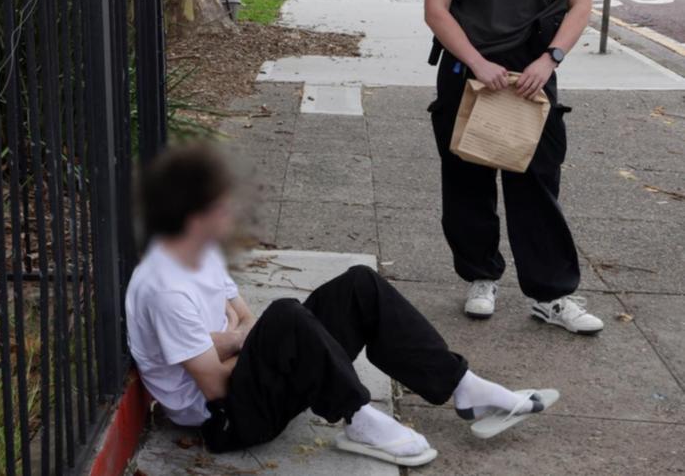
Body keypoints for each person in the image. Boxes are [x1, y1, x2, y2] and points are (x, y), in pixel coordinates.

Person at [125, 144, 557, 467]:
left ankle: (464, 387)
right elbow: (217, 385)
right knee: (286, 317)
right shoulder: (165, 287)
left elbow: (245, 321)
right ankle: (359, 419)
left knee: (358, 285)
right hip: (227, 419)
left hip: (248, 385)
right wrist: (246, 341)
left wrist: (232, 341)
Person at [420, 0, 604, 334]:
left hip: (533, 69)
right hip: (470, 66)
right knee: (467, 178)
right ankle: (481, 277)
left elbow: (580, 3)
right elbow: (436, 8)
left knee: (537, 181)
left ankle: (551, 294)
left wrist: (551, 59)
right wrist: (478, 63)